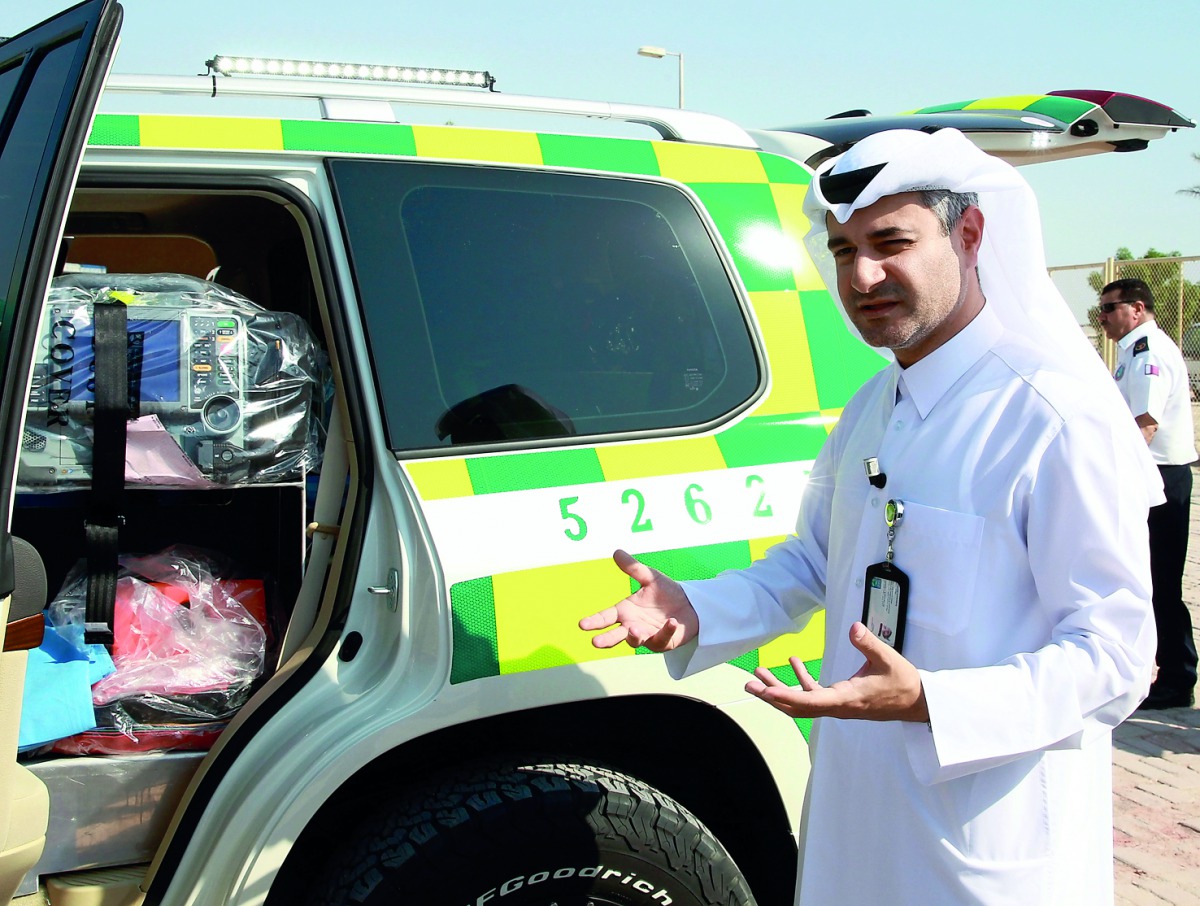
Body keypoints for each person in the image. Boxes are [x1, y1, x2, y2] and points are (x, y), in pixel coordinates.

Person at [579, 128, 1161, 904]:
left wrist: (931, 703)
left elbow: (1116, 655)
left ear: (970, 234)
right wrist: (699, 608)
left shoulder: (1054, 416)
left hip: (983, 839)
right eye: (844, 249)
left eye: (891, 243)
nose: (863, 275)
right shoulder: (873, 405)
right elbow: (818, 561)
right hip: (858, 818)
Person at [1099, 277, 1198, 709]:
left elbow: (1146, 425)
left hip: (1159, 479)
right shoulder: (1133, 351)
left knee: (1161, 582)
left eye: (1109, 308)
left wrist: (1115, 479)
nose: (1101, 317)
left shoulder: (1148, 353)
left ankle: (1177, 679)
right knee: (1149, 578)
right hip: (1151, 477)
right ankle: (1163, 671)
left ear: (1136, 309)